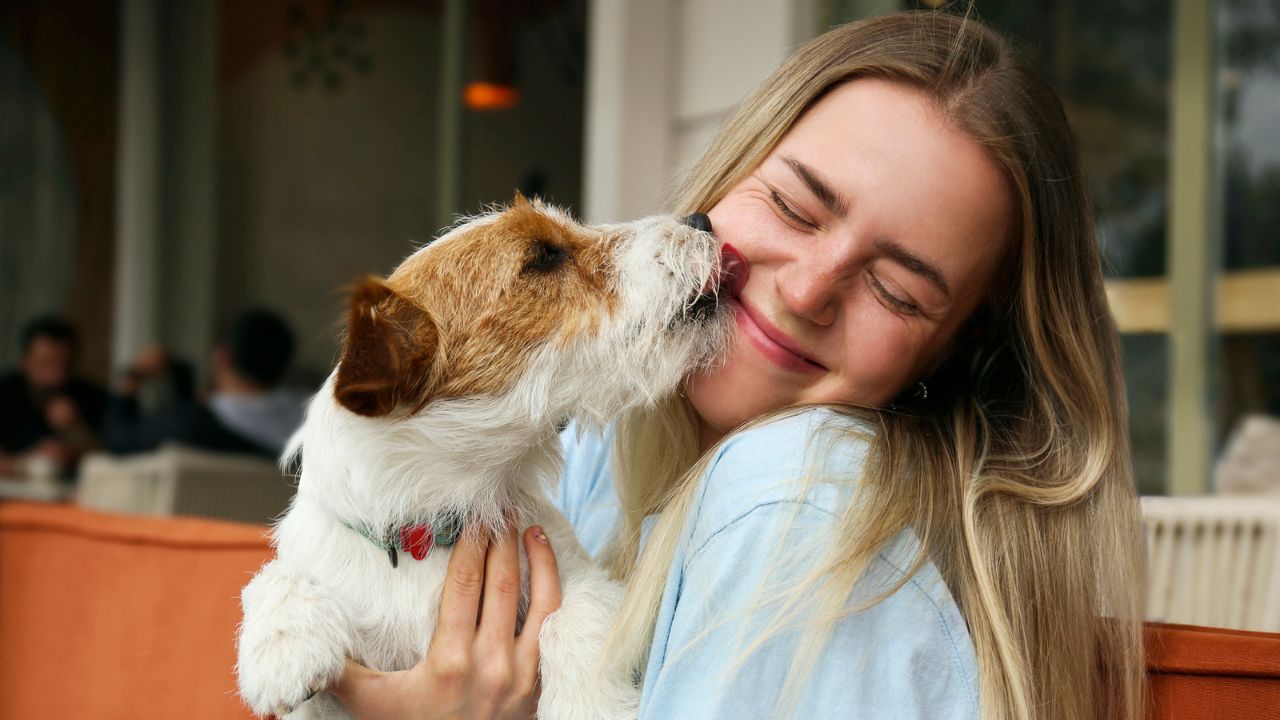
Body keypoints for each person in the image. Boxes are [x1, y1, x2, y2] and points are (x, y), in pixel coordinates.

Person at [328, 11, 1145, 720]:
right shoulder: (593, 458)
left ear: (955, 353)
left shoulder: (795, 493)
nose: (809, 288)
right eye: (793, 206)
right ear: (729, 172)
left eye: (897, 291)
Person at [103, 309, 304, 458]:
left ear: (222, 357)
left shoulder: (192, 424)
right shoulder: (307, 425)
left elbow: (119, 439)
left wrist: (132, 377)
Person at [0, 316, 109, 478]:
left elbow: (112, 457)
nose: (56, 376)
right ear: (24, 362)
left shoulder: (91, 395)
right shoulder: (5, 392)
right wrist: (29, 462)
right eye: (45, 364)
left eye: (65, 364)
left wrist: (76, 431)